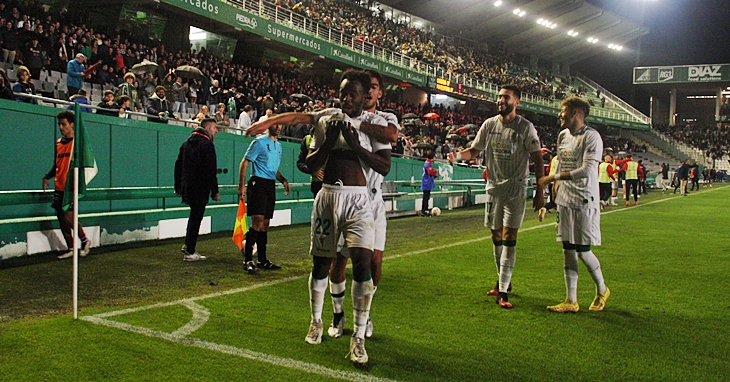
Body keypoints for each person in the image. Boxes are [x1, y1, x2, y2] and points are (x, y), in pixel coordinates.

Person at [303, 69, 391, 366]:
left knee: (363, 263)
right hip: (327, 196)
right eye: (343, 93)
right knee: (322, 263)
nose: (346, 99)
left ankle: (358, 337)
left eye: (352, 93)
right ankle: (316, 321)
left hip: (359, 200)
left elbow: (385, 167)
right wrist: (328, 143)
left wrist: (354, 144)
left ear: (365, 96)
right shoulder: (327, 119)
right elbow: (310, 163)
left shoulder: (376, 124)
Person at [448, 85, 545, 309]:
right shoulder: (489, 125)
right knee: (496, 235)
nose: (501, 100)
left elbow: (538, 159)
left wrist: (540, 191)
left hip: (515, 188)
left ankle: (502, 291)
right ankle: (503, 280)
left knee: (510, 236)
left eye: (506, 97)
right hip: (493, 188)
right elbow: (474, 150)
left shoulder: (525, 127)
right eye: (499, 97)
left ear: (517, 102)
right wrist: (458, 156)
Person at [327, 70, 399, 341]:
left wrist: (356, 128)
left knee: (375, 263)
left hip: (374, 201)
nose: (369, 91)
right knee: (339, 259)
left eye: (374, 87)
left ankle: (364, 312)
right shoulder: (339, 117)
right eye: (365, 87)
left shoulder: (386, 119)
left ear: (380, 93)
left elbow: (391, 135)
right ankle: (337, 313)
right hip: (349, 198)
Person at [537, 96, 609, 313]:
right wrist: (556, 186)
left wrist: (552, 177)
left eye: (564, 110)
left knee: (583, 250)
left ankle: (602, 289)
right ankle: (571, 300)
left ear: (576, 112)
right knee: (568, 248)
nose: (560, 114)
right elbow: (563, 162)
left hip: (585, 199)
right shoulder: (562, 136)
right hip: (565, 199)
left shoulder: (591, 137)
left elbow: (587, 171)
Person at [238, 120, 291, 273]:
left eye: (280, 124)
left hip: (270, 185)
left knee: (266, 223)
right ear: (269, 126)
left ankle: (262, 259)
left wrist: (283, 180)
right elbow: (245, 162)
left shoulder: (279, 146)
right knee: (257, 221)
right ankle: (248, 259)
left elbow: (273, 168)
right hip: (258, 183)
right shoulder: (259, 142)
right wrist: (241, 185)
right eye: (275, 124)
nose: (278, 127)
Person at [42, 110, 92, 259]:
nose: (61, 128)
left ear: (72, 124)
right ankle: (71, 248)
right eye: (59, 125)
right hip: (59, 186)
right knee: (60, 218)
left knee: (68, 217)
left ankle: (85, 241)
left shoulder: (78, 143)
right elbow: (56, 164)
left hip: (71, 187)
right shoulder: (58, 143)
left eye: (64, 124)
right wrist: (47, 177)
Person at [174, 118, 220, 261]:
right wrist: (215, 191)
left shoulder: (186, 143)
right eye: (214, 128)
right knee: (196, 217)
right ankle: (190, 251)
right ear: (207, 128)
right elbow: (210, 170)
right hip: (201, 187)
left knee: (193, 216)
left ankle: (188, 245)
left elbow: (178, 165)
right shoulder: (207, 145)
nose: (216, 131)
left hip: (188, 186)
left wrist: (178, 185)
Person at [420, 151, 438, 216]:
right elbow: (430, 172)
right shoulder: (428, 164)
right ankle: (425, 211)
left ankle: (424, 210)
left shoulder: (427, 163)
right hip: (426, 183)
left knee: (426, 197)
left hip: (427, 182)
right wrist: (436, 172)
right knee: (426, 197)